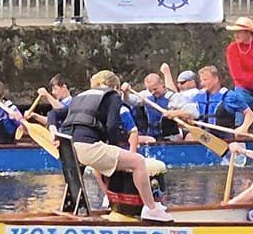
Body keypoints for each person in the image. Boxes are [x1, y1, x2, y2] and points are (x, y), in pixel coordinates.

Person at [55, 70, 170, 220]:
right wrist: (115, 147)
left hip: (68, 148)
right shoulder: (113, 96)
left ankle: (98, 203)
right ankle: (151, 209)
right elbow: (112, 127)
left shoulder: (80, 97)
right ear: (115, 87)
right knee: (138, 162)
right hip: (88, 147)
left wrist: (52, 130)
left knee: (101, 168)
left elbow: (53, 114)